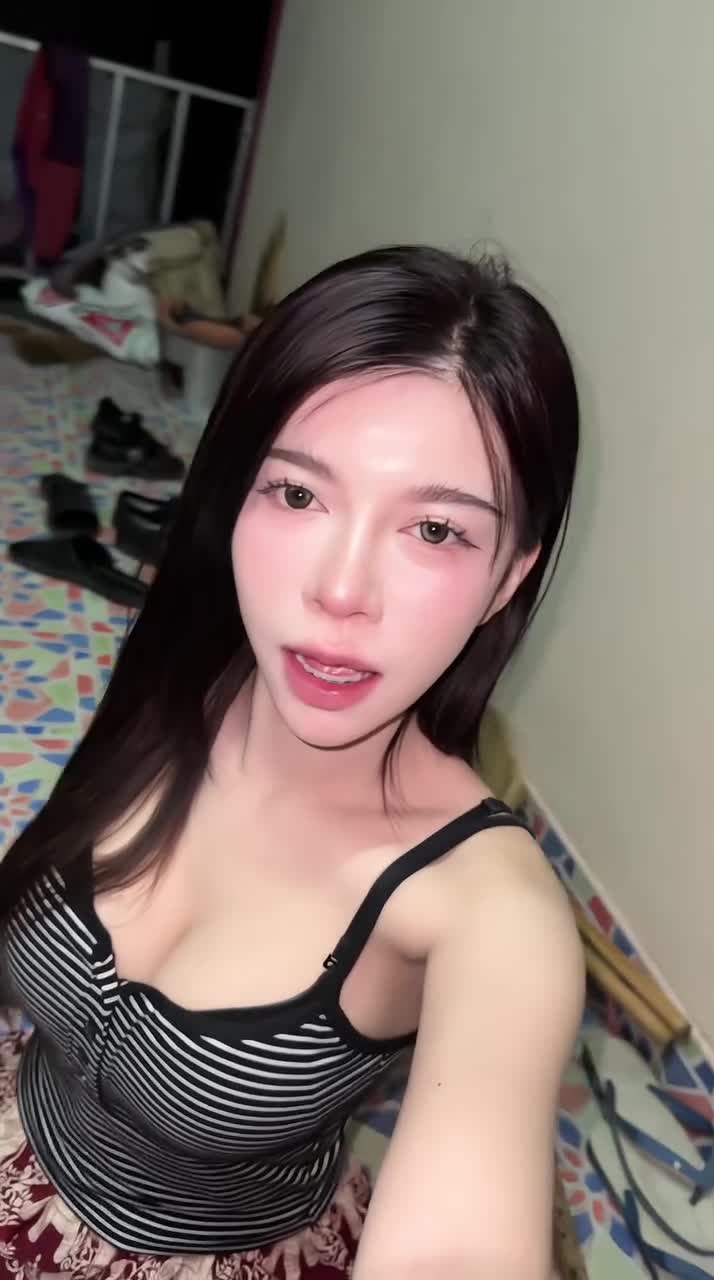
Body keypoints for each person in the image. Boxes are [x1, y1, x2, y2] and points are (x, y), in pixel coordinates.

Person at [0, 245, 585, 1279]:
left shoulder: (492, 915)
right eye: (299, 494)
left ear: (509, 577)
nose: (340, 590)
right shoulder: (190, 673)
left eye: (435, 528)